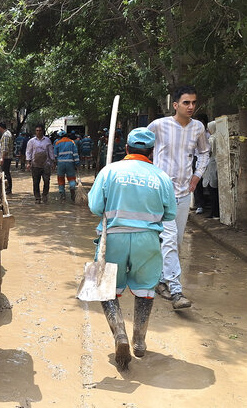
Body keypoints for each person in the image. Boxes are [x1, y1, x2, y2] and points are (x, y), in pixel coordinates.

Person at [89, 127, 176, 370]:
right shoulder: (161, 176)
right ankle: (139, 340)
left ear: (126, 148)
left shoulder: (110, 171)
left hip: (114, 237)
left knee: (106, 288)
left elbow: (96, 207)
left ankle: (120, 334)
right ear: (152, 152)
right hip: (147, 240)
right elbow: (169, 214)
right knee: (146, 289)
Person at [147, 86, 210, 309]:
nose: (191, 106)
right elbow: (141, 146)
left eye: (193, 102)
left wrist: (197, 175)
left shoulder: (198, 128)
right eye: (186, 103)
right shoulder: (159, 125)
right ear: (175, 105)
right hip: (160, 193)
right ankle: (176, 292)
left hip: (184, 193)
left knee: (176, 240)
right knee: (170, 239)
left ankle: (160, 280)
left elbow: (204, 152)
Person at [26, 124, 54, 204]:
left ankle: (45, 195)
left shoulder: (47, 140)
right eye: (37, 130)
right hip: (35, 164)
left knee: (46, 180)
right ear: (35, 131)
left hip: (46, 164)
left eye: (40, 130)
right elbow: (28, 152)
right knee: (36, 182)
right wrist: (28, 163)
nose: (38, 132)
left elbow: (50, 151)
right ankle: (37, 197)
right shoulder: (31, 141)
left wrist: (53, 162)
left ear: (42, 131)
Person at [53, 129, 80, 202]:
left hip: (60, 164)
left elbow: (55, 155)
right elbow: (75, 154)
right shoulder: (72, 142)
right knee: (71, 178)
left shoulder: (57, 143)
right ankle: (72, 190)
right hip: (70, 163)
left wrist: (54, 164)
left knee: (61, 178)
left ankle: (62, 194)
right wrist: (77, 164)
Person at [192, 114, 210, 214]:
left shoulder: (209, 133)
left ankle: (208, 203)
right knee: (196, 182)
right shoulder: (194, 133)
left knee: (209, 183)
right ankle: (200, 205)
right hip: (196, 158)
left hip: (209, 159)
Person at [202, 120, 219, 219]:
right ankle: (215, 212)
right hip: (216, 164)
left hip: (211, 165)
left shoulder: (212, 139)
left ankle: (214, 213)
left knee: (212, 190)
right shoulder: (218, 137)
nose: (208, 129)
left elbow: (208, 152)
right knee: (214, 190)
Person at [0, 122, 13, 194]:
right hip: (6, 157)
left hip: (6, 157)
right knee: (6, 172)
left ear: (1, 127)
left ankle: (8, 188)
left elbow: (5, 149)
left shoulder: (6, 135)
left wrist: (2, 158)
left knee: (6, 173)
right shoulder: (7, 134)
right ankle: (7, 188)